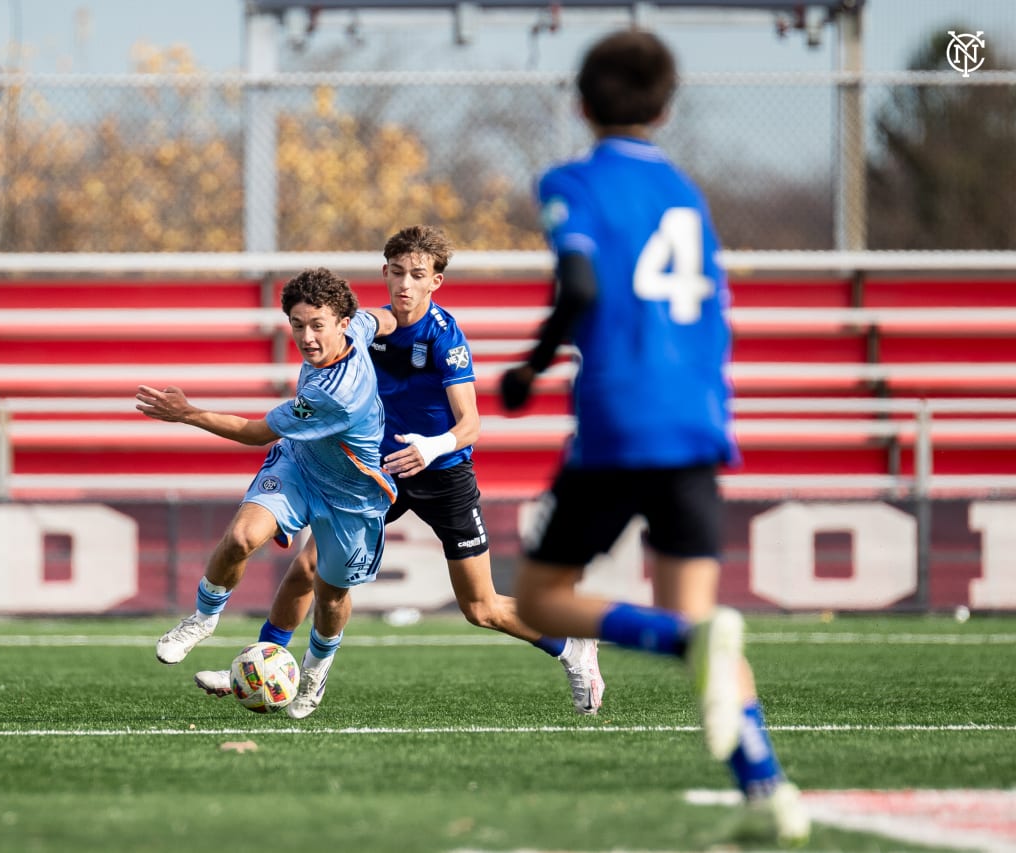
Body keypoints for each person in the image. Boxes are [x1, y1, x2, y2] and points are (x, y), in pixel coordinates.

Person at [497, 31, 809, 844]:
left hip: (618, 418)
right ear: (666, 107)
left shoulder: (571, 180)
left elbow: (582, 280)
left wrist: (529, 367)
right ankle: (766, 789)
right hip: (699, 421)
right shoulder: (685, 192)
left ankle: (686, 641)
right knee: (701, 620)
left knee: (540, 598)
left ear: (581, 103)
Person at [193, 225, 605, 716]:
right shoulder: (367, 326)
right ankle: (264, 663)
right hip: (378, 474)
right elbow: (353, 336)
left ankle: (571, 647)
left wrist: (434, 447)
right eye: (396, 272)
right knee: (306, 570)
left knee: (481, 607)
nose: (405, 284)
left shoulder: (445, 338)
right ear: (383, 274)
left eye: (417, 274)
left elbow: (471, 424)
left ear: (436, 282)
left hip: (442, 472)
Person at [139, 267, 398, 720]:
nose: (307, 337)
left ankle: (314, 672)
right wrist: (410, 318)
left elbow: (254, 432)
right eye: (298, 325)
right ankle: (202, 619)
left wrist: (187, 413)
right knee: (241, 538)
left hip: (352, 496)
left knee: (330, 593)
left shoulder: (336, 394)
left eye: (317, 325)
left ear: (339, 322)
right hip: (299, 464)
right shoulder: (356, 324)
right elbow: (384, 319)